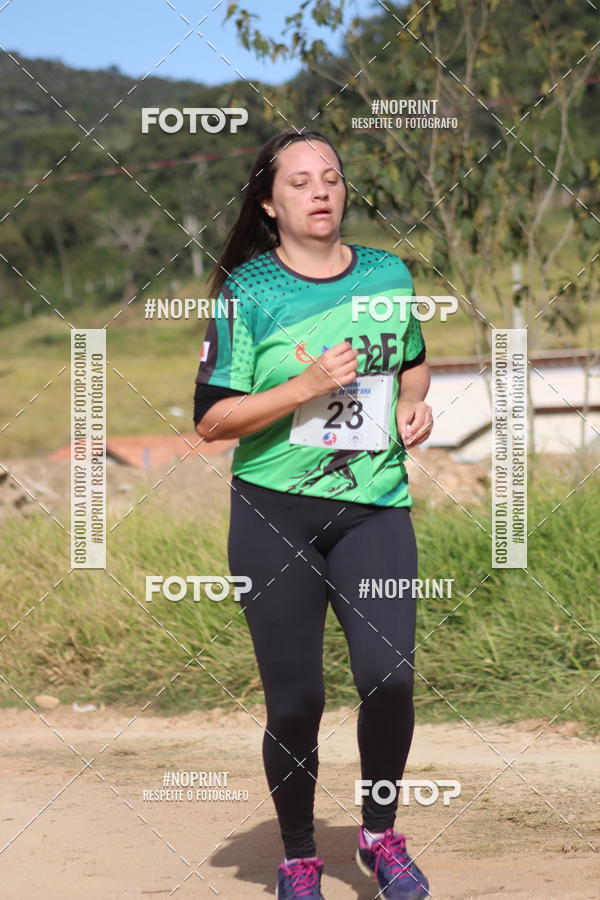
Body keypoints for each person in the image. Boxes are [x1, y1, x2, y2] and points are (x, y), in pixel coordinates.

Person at [193, 129, 433, 900]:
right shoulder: (248, 290)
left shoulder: (391, 275)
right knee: (296, 700)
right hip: (275, 516)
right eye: (299, 182)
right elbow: (210, 422)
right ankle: (298, 855)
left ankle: (379, 834)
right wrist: (303, 388)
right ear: (270, 202)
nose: (320, 191)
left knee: (389, 678)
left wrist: (416, 408)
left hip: (374, 509)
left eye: (330, 177)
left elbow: (413, 367)